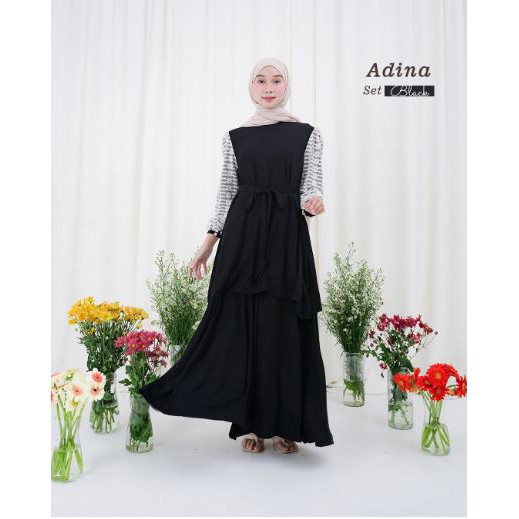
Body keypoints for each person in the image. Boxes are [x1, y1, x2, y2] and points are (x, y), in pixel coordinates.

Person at [140, 57, 334, 455]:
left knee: (284, 329)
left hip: (285, 239)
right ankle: (251, 426)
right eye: (261, 80)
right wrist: (208, 243)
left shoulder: (308, 135)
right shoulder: (235, 137)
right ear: (251, 87)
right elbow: (226, 193)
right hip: (242, 239)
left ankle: (286, 427)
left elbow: (311, 186)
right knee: (245, 328)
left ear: (287, 86)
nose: (269, 87)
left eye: (276, 80)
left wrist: (312, 203)